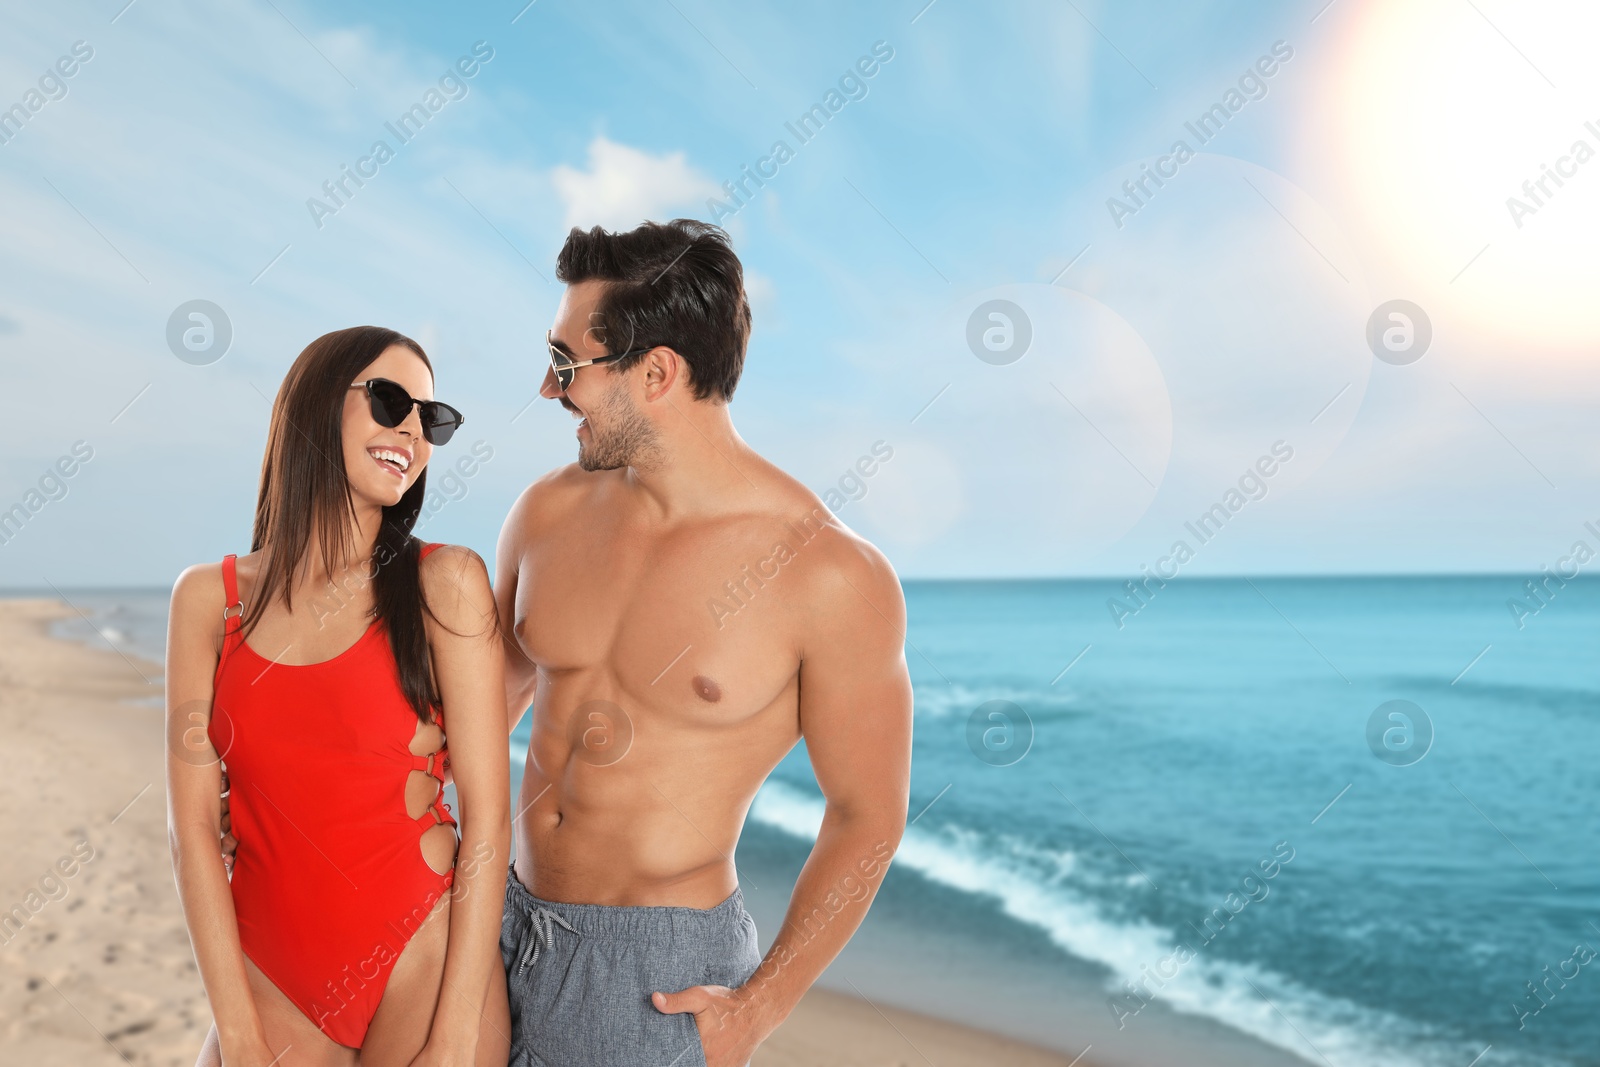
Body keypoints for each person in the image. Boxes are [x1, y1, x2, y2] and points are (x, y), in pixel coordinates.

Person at [494, 219, 914, 1067]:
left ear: (656, 372)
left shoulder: (828, 574)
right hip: (503, 924)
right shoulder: (545, 513)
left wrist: (757, 1007)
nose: (547, 388)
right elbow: (476, 716)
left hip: (657, 981)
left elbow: (868, 817)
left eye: (567, 364)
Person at [166, 326, 512, 1066]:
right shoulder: (209, 602)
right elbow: (192, 828)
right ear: (317, 406)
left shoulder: (445, 583)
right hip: (270, 975)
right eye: (391, 401)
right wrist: (239, 1035)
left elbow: (488, 821)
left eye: (432, 417)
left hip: (424, 962)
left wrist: (456, 1038)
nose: (412, 432)